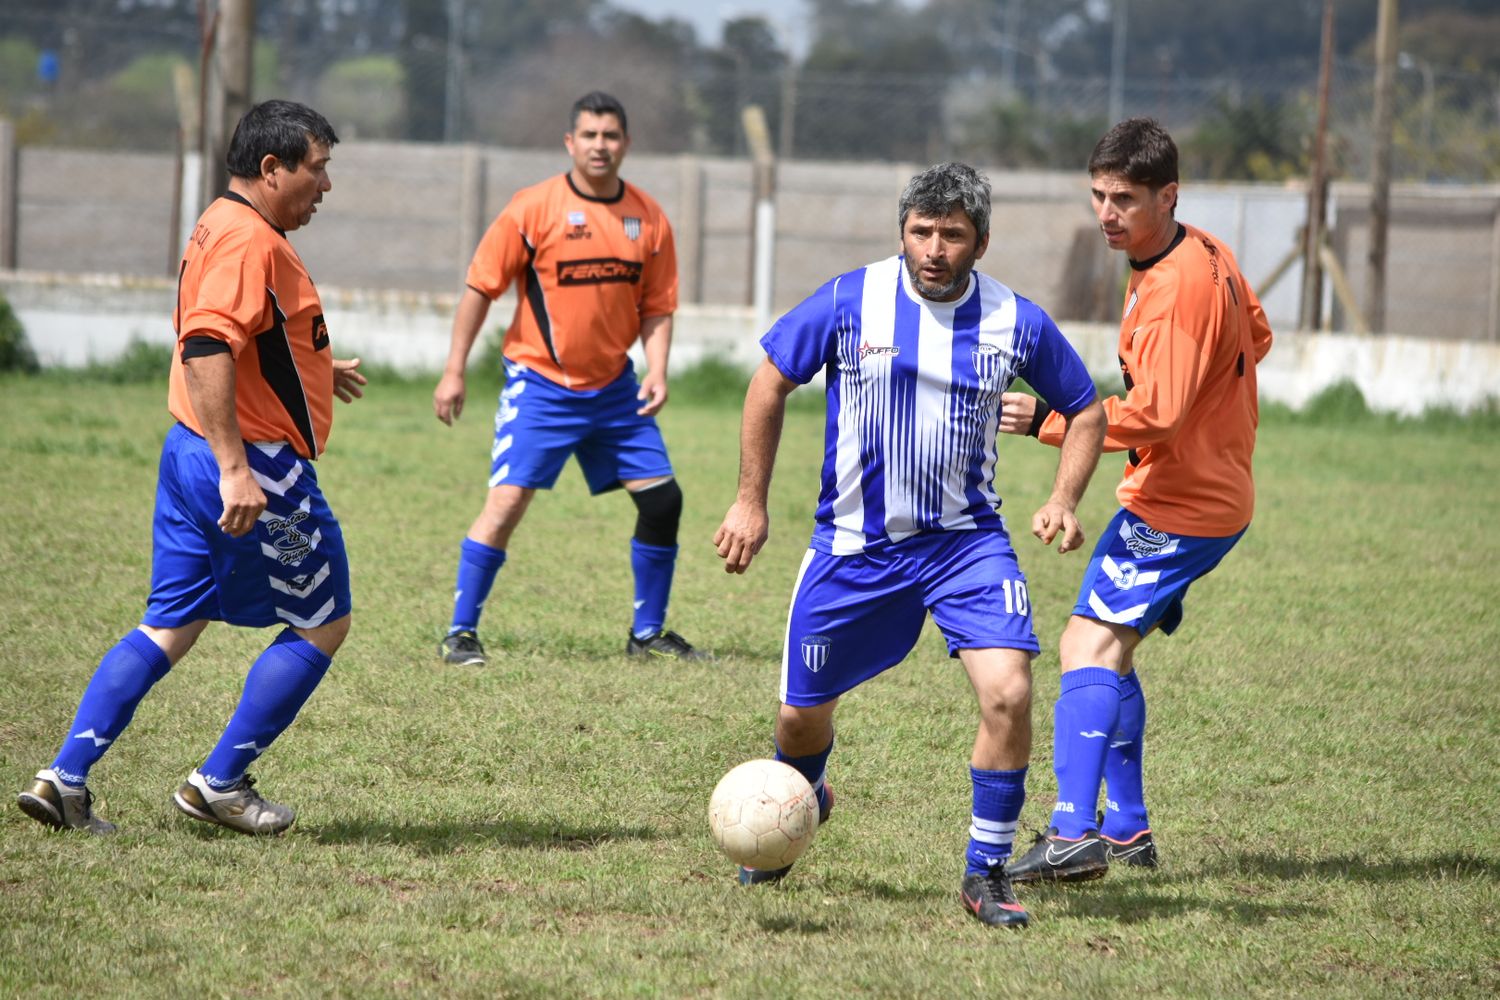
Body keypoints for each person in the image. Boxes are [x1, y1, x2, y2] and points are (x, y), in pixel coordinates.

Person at [713, 162, 1107, 929]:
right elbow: (768, 382)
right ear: (903, 232)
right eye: (922, 231)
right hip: (855, 548)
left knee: (1010, 692)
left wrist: (1062, 497)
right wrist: (749, 502)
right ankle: (799, 803)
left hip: (968, 545)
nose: (934, 247)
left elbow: (1085, 409)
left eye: (952, 234)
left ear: (980, 242)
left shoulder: (1014, 321)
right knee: (798, 723)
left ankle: (985, 868)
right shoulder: (849, 299)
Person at [16, 100, 364, 836]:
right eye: (319, 167)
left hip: (188, 451)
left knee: (171, 620)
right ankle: (220, 784)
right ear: (272, 170)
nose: (326, 186)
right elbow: (207, 345)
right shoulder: (250, 242)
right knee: (323, 622)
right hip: (250, 464)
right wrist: (239, 469)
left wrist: (311, 370)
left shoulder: (221, 220)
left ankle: (64, 779)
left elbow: (241, 339)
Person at [1000, 117, 1274, 884]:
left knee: (1084, 647)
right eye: (1098, 195)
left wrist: (1052, 422)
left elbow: (1157, 414)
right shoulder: (1204, 250)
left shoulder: (1177, 288)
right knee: (1112, 652)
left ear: (1168, 194)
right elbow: (1259, 334)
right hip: (1205, 489)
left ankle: (1071, 833)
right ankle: (1124, 828)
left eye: (1124, 197)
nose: (1106, 213)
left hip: (1180, 504)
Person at [433, 91, 707, 666]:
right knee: (506, 505)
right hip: (540, 386)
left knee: (663, 501)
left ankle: (647, 634)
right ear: (570, 142)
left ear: (626, 144)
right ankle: (461, 632)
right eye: (589, 135)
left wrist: (657, 369)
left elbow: (658, 306)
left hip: (613, 390)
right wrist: (454, 370)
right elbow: (480, 289)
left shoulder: (649, 217)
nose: (600, 146)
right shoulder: (532, 208)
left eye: (610, 136)